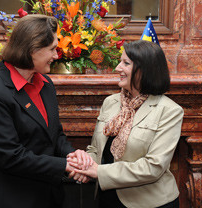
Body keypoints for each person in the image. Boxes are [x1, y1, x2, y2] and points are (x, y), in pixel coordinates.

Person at [0, 14, 92, 208]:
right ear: (32, 49)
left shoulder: (45, 84)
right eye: (52, 49)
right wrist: (64, 165)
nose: (56, 55)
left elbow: (55, 135)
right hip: (10, 198)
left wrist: (73, 156)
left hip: (46, 196)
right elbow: (11, 156)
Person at [69, 40, 184, 208]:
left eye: (126, 63)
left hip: (148, 203)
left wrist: (98, 172)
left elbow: (153, 168)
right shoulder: (110, 102)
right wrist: (83, 164)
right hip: (106, 198)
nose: (117, 68)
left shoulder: (170, 111)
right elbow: (96, 149)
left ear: (145, 70)